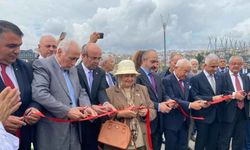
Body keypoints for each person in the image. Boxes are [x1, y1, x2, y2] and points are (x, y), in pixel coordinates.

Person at [32, 39, 96, 150]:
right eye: (72, 58)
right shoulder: (43, 65)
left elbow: (81, 91)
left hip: (75, 132)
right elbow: (39, 93)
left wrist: (86, 107)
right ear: (60, 52)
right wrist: (67, 111)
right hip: (53, 134)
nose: (74, 63)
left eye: (77, 59)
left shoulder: (73, 69)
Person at [0, 20, 41, 150]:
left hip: (24, 140)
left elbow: (35, 98)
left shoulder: (25, 68)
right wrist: (1, 121)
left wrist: (33, 109)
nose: (18, 51)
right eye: (11, 46)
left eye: (19, 45)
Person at [105, 59, 156, 150]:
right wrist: (120, 114)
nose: (130, 79)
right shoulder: (109, 92)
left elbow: (153, 111)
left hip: (141, 141)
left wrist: (146, 113)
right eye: (126, 76)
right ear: (119, 76)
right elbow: (104, 117)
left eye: (132, 76)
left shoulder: (142, 89)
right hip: (119, 141)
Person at [76, 43, 116, 150]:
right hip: (80, 120)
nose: (97, 62)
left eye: (99, 58)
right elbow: (77, 95)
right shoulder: (74, 71)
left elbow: (101, 91)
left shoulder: (100, 72)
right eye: (94, 58)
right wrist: (90, 107)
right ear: (83, 56)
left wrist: (106, 103)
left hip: (97, 121)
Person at [162, 59, 208, 150]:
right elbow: (173, 98)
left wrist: (201, 101)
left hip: (185, 122)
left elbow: (192, 95)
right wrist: (190, 105)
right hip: (172, 123)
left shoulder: (187, 80)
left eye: (188, 71)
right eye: (185, 71)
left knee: (183, 146)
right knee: (171, 147)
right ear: (176, 68)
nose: (186, 74)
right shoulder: (167, 80)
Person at [136, 49, 176, 150]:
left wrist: (168, 100)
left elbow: (163, 94)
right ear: (144, 60)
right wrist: (158, 106)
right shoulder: (136, 76)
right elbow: (139, 101)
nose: (155, 65)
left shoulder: (156, 76)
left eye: (156, 62)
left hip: (159, 122)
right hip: (146, 123)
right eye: (152, 62)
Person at [190, 53, 224, 150]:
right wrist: (211, 99)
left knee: (213, 143)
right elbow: (195, 96)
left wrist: (232, 95)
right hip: (203, 116)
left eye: (216, 66)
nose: (215, 69)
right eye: (212, 66)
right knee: (201, 142)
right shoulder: (195, 79)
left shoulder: (219, 77)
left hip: (217, 116)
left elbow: (222, 92)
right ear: (204, 65)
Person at [218, 56, 250, 150]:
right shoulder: (221, 77)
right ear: (229, 64)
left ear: (242, 65)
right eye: (233, 63)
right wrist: (234, 94)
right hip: (227, 113)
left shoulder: (245, 77)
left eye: (238, 64)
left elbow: (247, 92)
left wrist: (248, 95)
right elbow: (220, 92)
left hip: (243, 113)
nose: (236, 65)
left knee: (239, 141)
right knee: (224, 141)